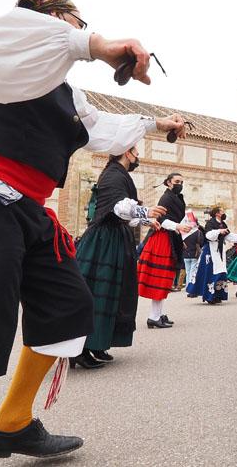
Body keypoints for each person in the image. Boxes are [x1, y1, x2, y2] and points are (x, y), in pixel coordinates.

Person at [0, 0, 187, 465]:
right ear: (53, 16)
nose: (78, 30)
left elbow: (99, 127)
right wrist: (96, 45)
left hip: (30, 207)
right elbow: (28, 37)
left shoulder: (64, 91)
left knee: (68, 306)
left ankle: (12, 422)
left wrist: (159, 124)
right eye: (74, 21)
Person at [77, 146, 167, 367]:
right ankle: (80, 349)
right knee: (99, 293)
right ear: (126, 153)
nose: (138, 156)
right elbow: (117, 207)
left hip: (114, 238)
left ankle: (98, 343)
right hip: (103, 242)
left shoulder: (119, 174)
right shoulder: (113, 174)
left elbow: (123, 214)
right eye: (135, 152)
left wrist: (146, 220)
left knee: (113, 293)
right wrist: (145, 212)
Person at [137, 172, 193, 328]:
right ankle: (153, 317)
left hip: (169, 238)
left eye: (182, 181)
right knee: (160, 278)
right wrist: (177, 227)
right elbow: (161, 219)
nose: (180, 184)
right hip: (161, 239)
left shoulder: (175, 198)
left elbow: (175, 220)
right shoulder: (166, 198)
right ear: (168, 182)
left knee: (165, 278)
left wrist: (180, 237)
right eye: (177, 181)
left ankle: (158, 314)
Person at [186, 207, 237, 304]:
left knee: (221, 272)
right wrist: (219, 231)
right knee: (210, 272)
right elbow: (208, 235)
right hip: (210, 250)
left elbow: (229, 235)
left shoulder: (223, 224)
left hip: (220, 251)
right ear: (217, 213)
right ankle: (210, 296)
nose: (224, 213)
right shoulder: (211, 223)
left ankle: (218, 295)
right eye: (222, 211)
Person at [182, 211, 204, 295]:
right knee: (192, 271)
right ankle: (190, 287)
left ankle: (187, 286)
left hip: (185, 253)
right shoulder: (198, 232)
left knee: (188, 271)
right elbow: (201, 242)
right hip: (195, 253)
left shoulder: (184, 232)